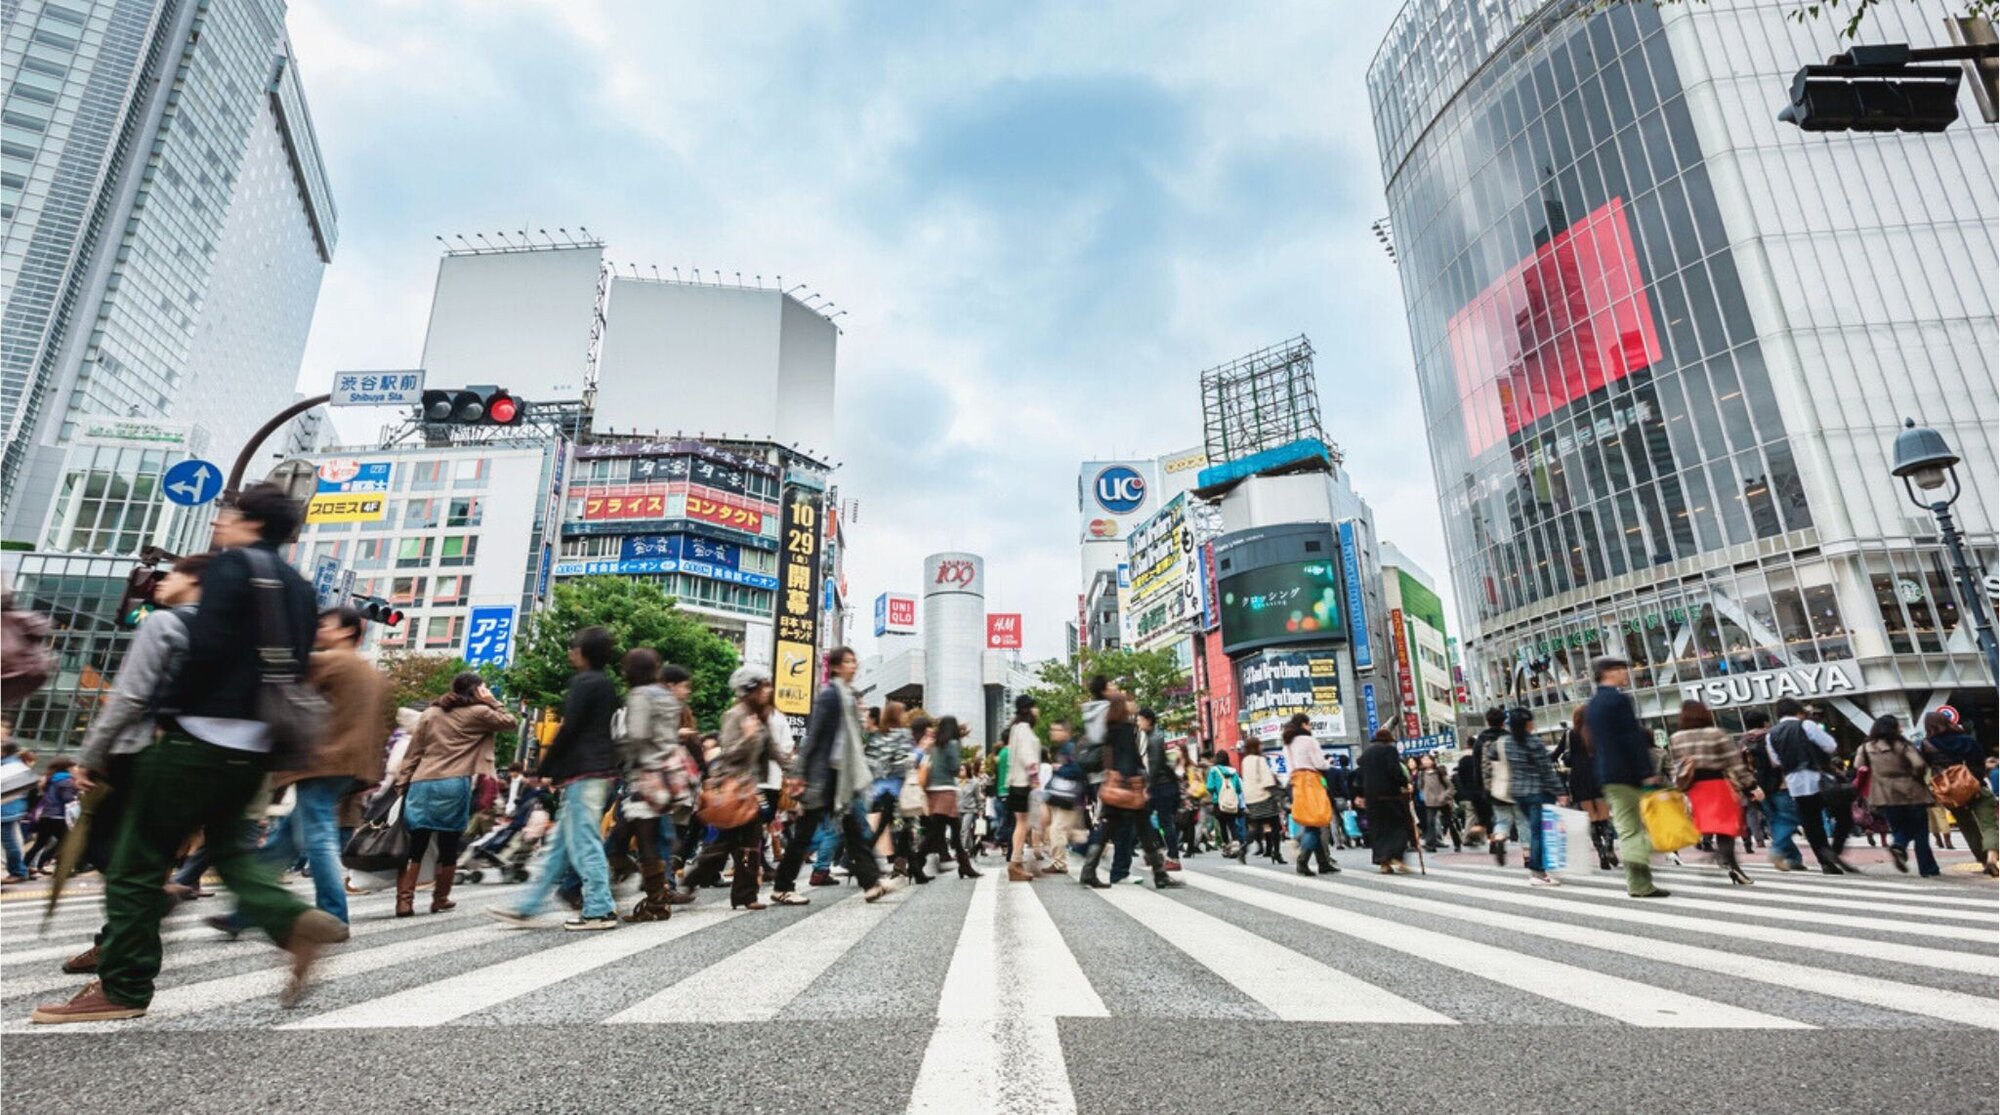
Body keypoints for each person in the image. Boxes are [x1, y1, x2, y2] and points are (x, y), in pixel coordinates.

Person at [34, 485, 347, 1024]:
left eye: (226, 513)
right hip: (255, 748)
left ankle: (124, 987)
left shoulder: (228, 570)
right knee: (229, 854)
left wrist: (165, 717)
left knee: (136, 866)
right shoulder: (298, 587)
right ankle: (294, 920)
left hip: (195, 740)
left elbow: (203, 655)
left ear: (249, 522)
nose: (218, 522)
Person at [206, 603, 390, 941]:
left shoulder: (331, 661)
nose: (319, 629)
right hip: (350, 765)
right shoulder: (373, 675)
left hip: (321, 760)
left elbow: (279, 673)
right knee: (284, 840)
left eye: (326, 625)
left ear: (349, 631)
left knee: (318, 838)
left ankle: (333, 917)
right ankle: (244, 912)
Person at [491, 626, 619, 930]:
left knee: (585, 843)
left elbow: (569, 729)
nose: (570, 652)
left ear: (583, 653)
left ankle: (600, 909)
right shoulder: (606, 685)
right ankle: (527, 905)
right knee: (558, 849)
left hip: (585, 774)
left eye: (574, 647)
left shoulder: (584, 683)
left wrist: (544, 769)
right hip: (597, 772)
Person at [770, 647, 892, 905]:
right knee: (805, 834)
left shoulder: (847, 696)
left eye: (854, 661)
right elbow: (813, 737)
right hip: (822, 778)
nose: (853, 665)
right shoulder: (830, 696)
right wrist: (799, 773)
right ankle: (782, 886)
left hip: (840, 777)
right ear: (835, 667)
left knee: (853, 829)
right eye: (848, 661)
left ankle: (871, 884)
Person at [394, 671, 514, 916]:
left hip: (422, 782)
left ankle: (404, 901)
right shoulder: (479, 713)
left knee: (417, 844)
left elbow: (413, 753)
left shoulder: (430, 713)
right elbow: (510, 722)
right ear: (476, 690)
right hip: (454, 782)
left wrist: (402, 784)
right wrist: (492, 700)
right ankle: (440, 898)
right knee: (448, 843)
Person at [613, 651, 698, 920]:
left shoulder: (640, 695)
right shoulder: (666, 696)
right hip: (669, 773)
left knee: (639, 835)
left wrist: (621, 752)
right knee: (638, 832)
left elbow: (637, 735)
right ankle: (655, 896)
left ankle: (655, 901)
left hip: (646, 773)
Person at [1584, 655, 1669, 899]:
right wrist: (1646, 772)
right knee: (1634, 829)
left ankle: (1640, 884)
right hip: (1628, 773)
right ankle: (1637, 862)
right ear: (1608, 672)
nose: (1626, 674)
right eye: (1622, 670)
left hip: (1607, 774)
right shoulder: (1619, 700)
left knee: (1629, 825)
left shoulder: (1593, 704)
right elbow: (1631, 739)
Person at [1077, 698, 1183, 890]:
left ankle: (1089, 870)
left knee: (1124, 829)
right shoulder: (1125, 728)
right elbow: (1129, 758)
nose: (1133, 705)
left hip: (1116, 785)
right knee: (1140, 830)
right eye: (1128, 703)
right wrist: (1139, 782)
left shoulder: (1110, 728)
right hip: (1127, 787)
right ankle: (1159, 875)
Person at [1668, 700, 1760, 885]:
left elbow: (1677, 765)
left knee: (1710, 824)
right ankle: (1730, 863)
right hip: (1717, 784)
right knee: (1726, 827)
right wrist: (1751, 785)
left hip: (1695, 787)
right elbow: (1733, 762)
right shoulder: (1716, 734)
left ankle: (1725, 859)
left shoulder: (1676, 737)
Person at [1766, 697, 1853, 875]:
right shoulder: (1806, 725)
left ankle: (1825, 862)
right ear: (1798, 711)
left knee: (1811, 823)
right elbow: (1830, 746)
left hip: (1794, 783)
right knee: (1843, 815)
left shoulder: (1771, 734)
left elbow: (1775, 761)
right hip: (1819, 778)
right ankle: (1834, 851)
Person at [1919, 709, 1998, 876]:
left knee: (1967, 827)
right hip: (1974, 786)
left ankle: (1983, 861)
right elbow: (1979, 762)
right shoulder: (1966, 740)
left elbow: (1924, 766)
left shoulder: (1927, 745)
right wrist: (1975, 779)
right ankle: (1992, 858)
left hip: (1949, 792)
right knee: (1989, 825)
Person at [1856, 716, 1938, 877]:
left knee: (1898, 826)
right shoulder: (1902, 745)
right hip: (1911, 791)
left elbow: (1858, 766)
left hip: (1884, 793)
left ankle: (1899, 845)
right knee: (1921, 830)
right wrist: (1914, 776)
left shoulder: (1866, 747)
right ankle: (1927, 868)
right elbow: (1919, 764)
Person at [1502, 710, 1563, 885]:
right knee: (1540, 833)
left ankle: (1540, 868)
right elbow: (1546, 771)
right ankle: (1538, 872)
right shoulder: (1534, 743)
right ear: (1527, 723)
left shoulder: (1508, 743)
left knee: (1534, 831)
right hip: (1538, 793)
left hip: (1519, 793)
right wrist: (1561, 791)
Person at [917, 715, 978, 880]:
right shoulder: (952, 744)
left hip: (932, 791)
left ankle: (965, 866)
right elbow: (954, 768)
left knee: (948, 831)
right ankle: (916, 862)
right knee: (938, 832)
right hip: (946, 791)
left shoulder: (934, 745)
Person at [1555, 706, 1615, 870]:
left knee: (1591, 818)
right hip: (1599, 775)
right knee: (1605, 816)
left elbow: (1555, 755)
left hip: (1579, 779)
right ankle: (1610, 848)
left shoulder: (1569, 734)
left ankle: (1601, 852)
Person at [1282, 714, 1340, 877]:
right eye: (1309, 725)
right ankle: (1303, 860)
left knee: (1311, 823)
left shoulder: (1287, 744)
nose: (1311, 728)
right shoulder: (1309, 741)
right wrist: (1329, 764)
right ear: (1303, 725)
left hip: (1295, 783)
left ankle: (1323, 862)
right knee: (1315, 823)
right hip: (1310, 782)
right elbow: (1319, 763)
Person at [1357, 729, 1412, 873]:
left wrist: (1359, 794)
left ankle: (1384, 863)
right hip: (1389, 795)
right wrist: (1404, 783)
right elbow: (1394, 770)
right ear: (1389, 740)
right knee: (1397, 827)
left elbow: (1359, 775)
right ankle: (1396, 857)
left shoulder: (1366, 754)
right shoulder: (1389, 751)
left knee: (1378, 830)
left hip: (1372, 798)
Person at [1003, 695, 1044, 882]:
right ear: (1029, 709)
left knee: (1021, 824)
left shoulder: (1016, 728)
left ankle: (1016, 862)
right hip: (1023, 783)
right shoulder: (1024, 729)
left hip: (1016, 783)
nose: (1038, 711)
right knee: (1022, 824)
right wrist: (1035, 778)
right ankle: (1015, 863)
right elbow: (1027, 756)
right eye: (1035, 707)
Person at [21, 757, 77, 875]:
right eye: (73, 767)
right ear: (67, 768)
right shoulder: (67, 781)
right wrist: (77, 796)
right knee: (67, 843)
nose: (75, 769)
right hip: (59, 817)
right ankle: (60, 869)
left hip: (46, 815)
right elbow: (68, 799)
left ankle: (22, 867)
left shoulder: (51, 779)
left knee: (39, 844)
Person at [1043, 722, 1084, 873]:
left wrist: (1060, 769)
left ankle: (1059, 863)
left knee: (1057, 829)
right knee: (1065, 830)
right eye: (1052, 729)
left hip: (1069, 797)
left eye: (1057, 729)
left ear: (1066, 731)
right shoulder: (1064, 748)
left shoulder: (1070, 748)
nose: (1053, 732)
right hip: (1066, 797)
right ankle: (1092, 846)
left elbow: (1078, 770)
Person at [1240, 742, 1283, 863]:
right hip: (1264, 796)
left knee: (1257, 826)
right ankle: (1277, 853)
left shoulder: (1245, 761)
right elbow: (1267, 780)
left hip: (1251, 798)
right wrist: (1277, 792)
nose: (1262, 747)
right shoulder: (1260, 760)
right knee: (1275, 826)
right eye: (1260, 745)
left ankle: (1244, 849)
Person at [2, 744, 35, 883]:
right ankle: (19, 870)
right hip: (9, 810)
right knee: (11, 842)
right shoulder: (12, 764)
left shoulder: (11, 766)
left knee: (10, 843)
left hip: (6, 810)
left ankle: (18, 871)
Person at [1206, 752, 1246, 860]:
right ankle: (1236, 846)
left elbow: (1209, 786)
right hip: (1233, 802)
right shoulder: (1233, 771)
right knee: (1232, 824)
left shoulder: (1214, 770)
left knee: (1222, 826)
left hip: (1219, 802)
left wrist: (1216, 792)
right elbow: (1238, 788)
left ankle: (1226, 848)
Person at [1414, 753, 1455, 853]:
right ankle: (1430, 844)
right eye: (1423, 759)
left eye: (1427, 759)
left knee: (1449, 822)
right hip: (1430, 802)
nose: (1425, 761)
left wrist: (1444, 796)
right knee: (1430, 823)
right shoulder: (1422, 774)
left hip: (1442, 801)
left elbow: (1450, 787)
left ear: (1432, 761)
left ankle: (1457, 841)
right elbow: (1420, 787)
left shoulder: (1439, 772)